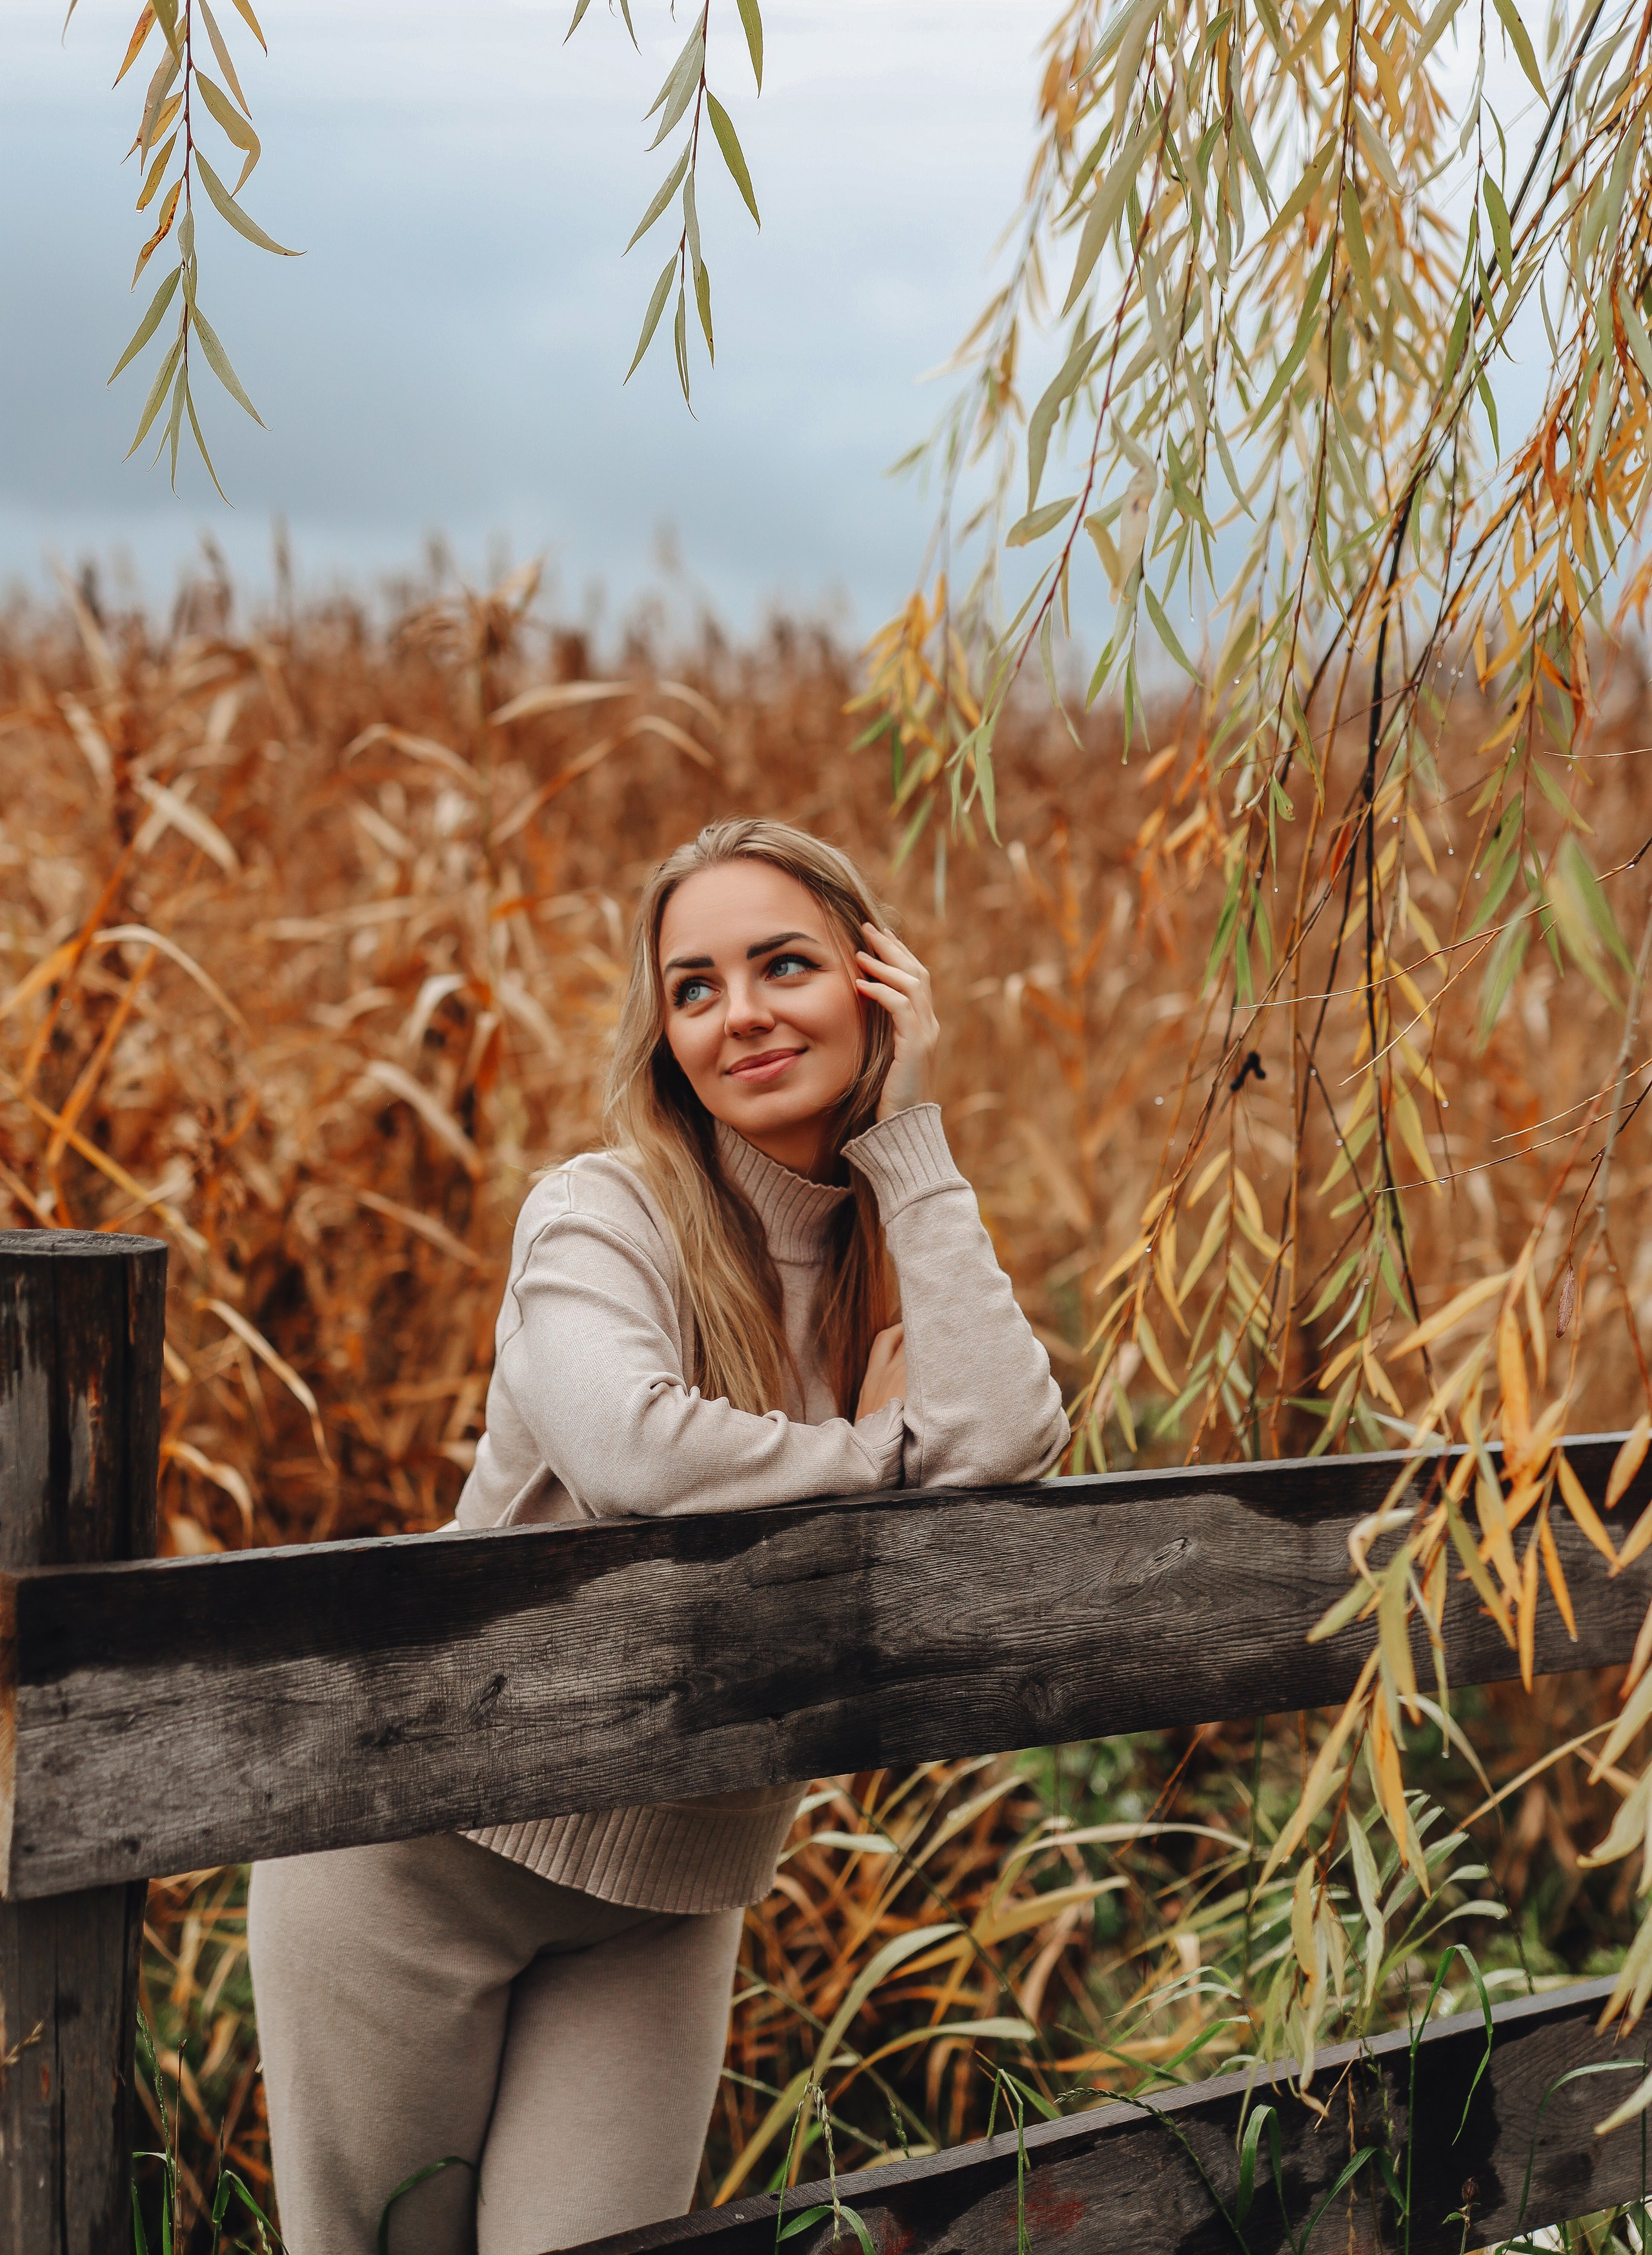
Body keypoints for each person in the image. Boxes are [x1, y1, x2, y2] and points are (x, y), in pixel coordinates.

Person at [248, 818, 1068, 2255]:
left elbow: (1005, 1438)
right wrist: (884, 1456)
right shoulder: (599, 1214)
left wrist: (911, 1139)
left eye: (784, 965)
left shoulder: (898, 1245)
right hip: (417, 1849)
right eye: (695, 987)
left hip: (670, 1881)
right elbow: (635, 1453)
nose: (740, 1013)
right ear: (665, 1030)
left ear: (878, 982)